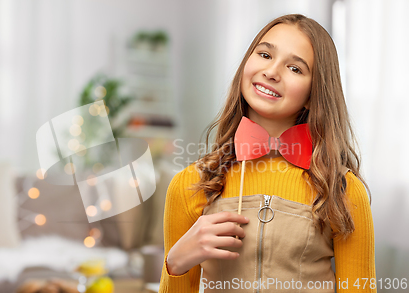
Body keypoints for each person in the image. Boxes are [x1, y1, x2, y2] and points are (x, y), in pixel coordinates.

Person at [158, 14, 375, 293]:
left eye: (295, 68)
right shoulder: (188, 184)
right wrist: (175, 263)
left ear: (313, 93)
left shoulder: (343, 191)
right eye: (264, 54)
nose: (272, 72)